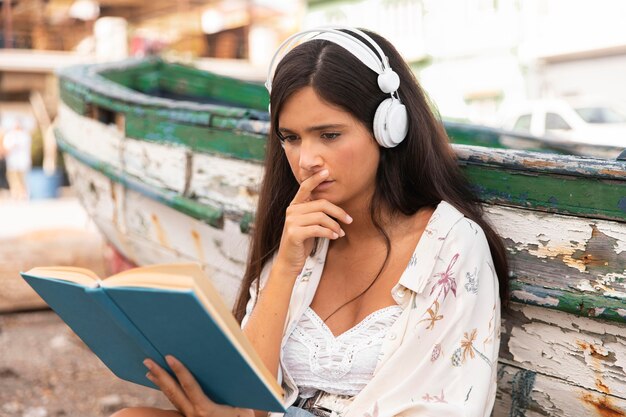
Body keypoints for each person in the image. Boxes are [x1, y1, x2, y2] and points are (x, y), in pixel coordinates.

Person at [111, 26, 509, 417]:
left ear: (390, 128)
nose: (306, 160)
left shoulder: (452, 246)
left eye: (329, 135)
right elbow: (249, 398)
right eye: (291, 137)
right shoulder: (302, 237)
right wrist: (285, 266)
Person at [2, 118, 32, 200]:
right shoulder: (10, 135)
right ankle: (16, 194)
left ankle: (22, 195)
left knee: (22, 180)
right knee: (14, 180)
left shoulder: (23, 135)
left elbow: (11, 147)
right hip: (13, 162)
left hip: (21, 162)